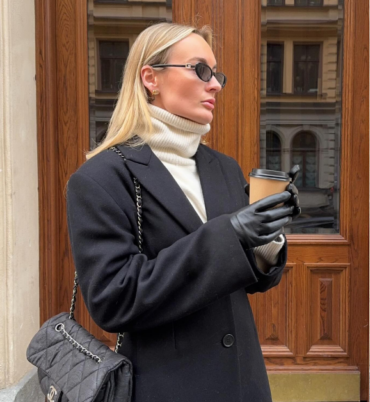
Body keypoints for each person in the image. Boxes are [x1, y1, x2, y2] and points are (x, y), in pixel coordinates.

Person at [66, 23, 298, 401]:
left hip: (244, 384)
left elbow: (252, 281)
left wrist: (269, 235)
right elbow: (113, 300)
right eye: (200, 70)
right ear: (151, 78)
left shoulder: (223, 167)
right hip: (167, 387)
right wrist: (231, 234)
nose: (216, 85)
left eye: (217, 74)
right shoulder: (101, 177)